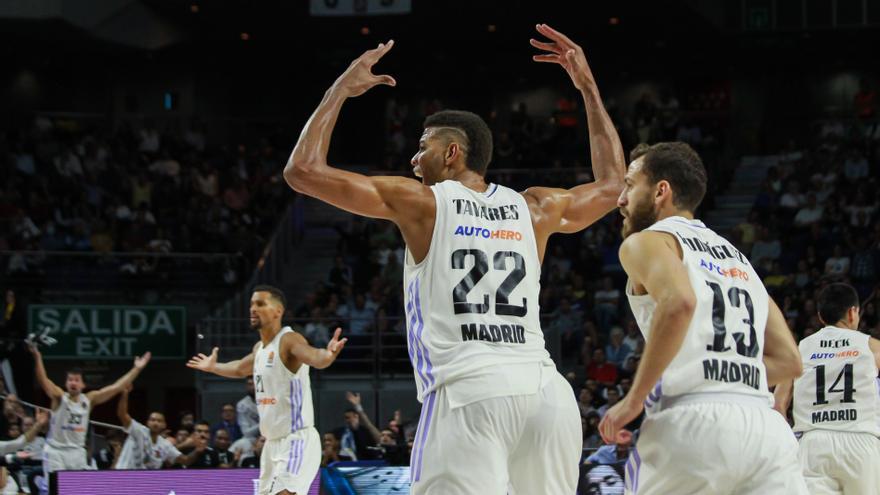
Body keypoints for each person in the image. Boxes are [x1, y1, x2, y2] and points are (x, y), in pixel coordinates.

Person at [282, 24, 625, 494]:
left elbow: (301, 172)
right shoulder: (536, 207)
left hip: (469, 395)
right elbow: (613, 187)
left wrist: (339, 89)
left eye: (422, 148)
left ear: (451, 153)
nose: (413, 160)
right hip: (547, 394)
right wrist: (587, 86)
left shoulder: (423, 203)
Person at [599, 141, 807, 494]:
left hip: (692, 423)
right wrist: (724, 370)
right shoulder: (739, 260)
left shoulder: (647, 241)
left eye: (631, 186)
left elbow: (679, 302)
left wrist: (634, 399)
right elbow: (790, 361)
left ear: (661, 191)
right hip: (765, 431)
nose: (620, 199)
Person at [187, 285, 346, 495]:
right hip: (271, 445)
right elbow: (238, 368)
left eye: (260, 304)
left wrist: (328, 354)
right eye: (252, 304)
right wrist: (213, 367)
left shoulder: (289, 340)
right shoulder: (260, 349)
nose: (253, 308)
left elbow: (315, 357)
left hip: (296, 440)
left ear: (277, 311)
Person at [774, 283, 880, 494]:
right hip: (861, 441)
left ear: (821, 317)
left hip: (814, 443)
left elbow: (778, 405)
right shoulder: (871, 346)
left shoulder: (800, 349)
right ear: (853, 312)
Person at [29, 343, 150, 475]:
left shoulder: (89, 399)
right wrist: (37, 356)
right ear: (66, 383)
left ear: (83, 384)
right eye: (70, 380)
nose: (73, 383)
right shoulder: (59, 397)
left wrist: (136, 369)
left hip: (77, 452)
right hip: (56, 451)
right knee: (57, 490)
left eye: (76, 380)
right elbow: (43, 380)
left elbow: (116, 387)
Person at [115, 384, 203, 469]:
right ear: (147, 423)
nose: (155, 423)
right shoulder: (138, 430)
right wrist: (125, 394)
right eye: (152, 420)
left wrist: (197, 451)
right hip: (123, 475)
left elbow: (185, 460)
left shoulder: (165, 445)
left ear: (164, 425)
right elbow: (122, 414)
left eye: (159, 421)